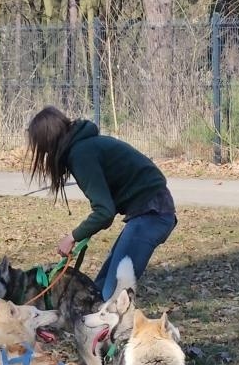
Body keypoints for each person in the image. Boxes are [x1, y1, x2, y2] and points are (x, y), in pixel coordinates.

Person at [25, 106, 178, 301]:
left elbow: (104, 212)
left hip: (152, 214)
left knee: (109, 298)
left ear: (48, 142)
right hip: (149, 211)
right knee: (98, 290)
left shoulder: (81, 154)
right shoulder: (83, 147)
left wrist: (72, 237)